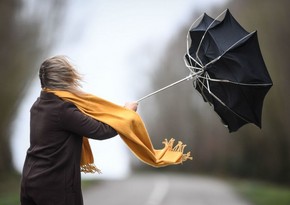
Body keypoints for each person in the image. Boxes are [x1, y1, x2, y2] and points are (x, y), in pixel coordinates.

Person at [20, 55, 138, 205]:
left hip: (29, 182)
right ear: (65, 80)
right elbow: (102, 131)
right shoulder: (63, 109)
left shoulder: (38, 106)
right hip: (53, 188)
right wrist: (128, 113)